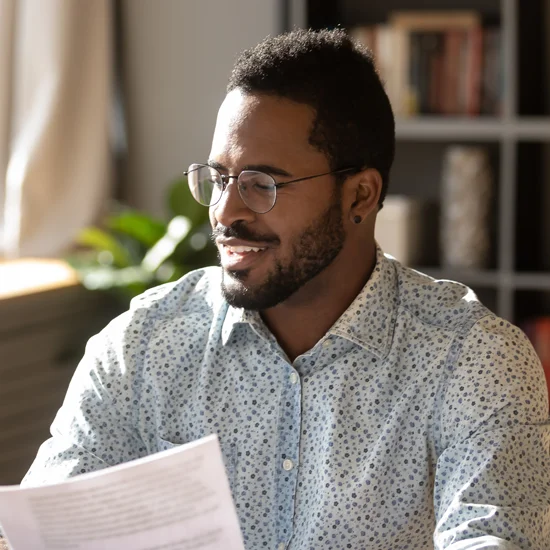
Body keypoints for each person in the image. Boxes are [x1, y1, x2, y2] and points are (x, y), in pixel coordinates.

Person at [21, 29, 549, 549]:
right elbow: (45, 528)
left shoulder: (472, 359)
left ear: (360, 195)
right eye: (219, 178)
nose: (226, 212)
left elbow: (494, 538)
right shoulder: (142, 345)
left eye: (262, 184)